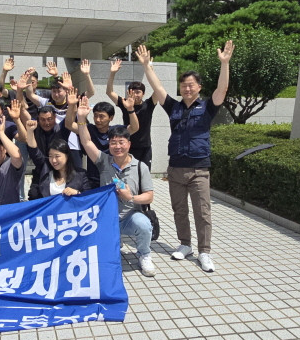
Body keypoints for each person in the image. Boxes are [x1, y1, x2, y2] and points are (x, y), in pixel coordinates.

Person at [136, 41, 234, 273]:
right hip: (176, 169)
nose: (187, 89)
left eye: (191, 85)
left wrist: (225, 64)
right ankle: (185, 244)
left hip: (199, 168)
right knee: (179, 210)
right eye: (184, 85)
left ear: (199, 87)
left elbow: (222, 90)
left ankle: (205, 251)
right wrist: (147, 66)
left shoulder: (207, 107)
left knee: (202, 212)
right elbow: (158, 88)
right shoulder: (174, 107)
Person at [76, 96, 156, 277]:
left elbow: (149, 196)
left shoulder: (140, 166)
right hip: (104, 218)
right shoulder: (103, 161)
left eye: (121, 142)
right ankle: (110, 245)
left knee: (143, 224)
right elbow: (87, 142)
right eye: (113, 143)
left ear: (129, 144)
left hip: (128, 217)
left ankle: (144, 254)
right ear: (109, 144)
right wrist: (81, 118)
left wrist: (131, 198)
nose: (117, 146)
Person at [66, 88, 139, 187]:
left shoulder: (116, 131)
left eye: (101, 116)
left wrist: (130, 109)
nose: (97, 119)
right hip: (92, 179)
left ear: (111, 118)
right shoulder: (88, 129)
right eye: (95, 116)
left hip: (113, 178)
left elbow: (134, 128)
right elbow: (69, 125)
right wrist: (71, 106)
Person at [106, 59, 157, 169]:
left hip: (145, 147)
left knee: (144, 175)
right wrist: (112, 73)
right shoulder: (125, 103)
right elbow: (109, 92)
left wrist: (150, 68)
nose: (135, 95)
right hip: (128, 146)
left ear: (143, 93)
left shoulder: (149, 104)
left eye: (138, 92)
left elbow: (157, 89)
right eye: (132, 92)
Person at [24, 119, 90, 198]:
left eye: (57, 156)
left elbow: (88, 199)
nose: (53, 160)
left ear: (67, 155)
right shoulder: (45, 169)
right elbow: (34, 151)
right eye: (50, 156)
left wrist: (77, 192)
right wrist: (30, 131)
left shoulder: (81, 175)